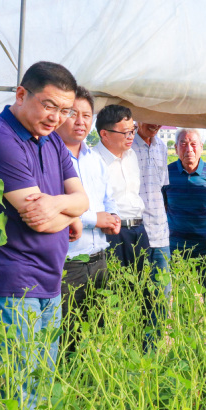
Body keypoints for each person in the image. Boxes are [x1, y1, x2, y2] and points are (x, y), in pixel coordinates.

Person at [0, 61, 89, 409]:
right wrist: (72, 214)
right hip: (9, 286)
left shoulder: (51, 141)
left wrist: (63, 205)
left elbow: (83, 199)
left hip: (48, 282)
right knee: (13, 396)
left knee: (40, 387)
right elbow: (39, 221)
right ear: (21, 94)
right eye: (49, 105)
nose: (57, 118)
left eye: (65, 110)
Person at [56, 86, 120, 355]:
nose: (80, 121)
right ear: (61, 115)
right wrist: (96, 219)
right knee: (67, 335)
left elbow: (108, 199)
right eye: (73, 114)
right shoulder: (49, 157)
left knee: (96, 333)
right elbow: (53, 207)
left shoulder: (95, 159)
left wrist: (113, 218)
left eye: (86, 115)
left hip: (99, 259)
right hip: (69, 262)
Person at [95, 105, 148, 273]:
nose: (131, 136)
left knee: (142, 285)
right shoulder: (93, 160)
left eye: (133, 130)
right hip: (112, 233)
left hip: (138, 229)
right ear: (104, 134)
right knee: (115, 283)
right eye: (125, 132)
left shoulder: (132, 155)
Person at [162, 128, 206, 258]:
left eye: (193, 144)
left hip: (205, 246)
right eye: (183, 144)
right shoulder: (166, 173)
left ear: (201, 147)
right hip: (174, 247)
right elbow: (163, 207)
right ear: (176, 148)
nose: (189, 149)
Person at [132, 123, 170, 286]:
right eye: (150, 118)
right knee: (136, 290)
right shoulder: (126, 145)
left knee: (162, 292)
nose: (155, 124)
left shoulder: (161, 146)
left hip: (161, 234)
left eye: (159, 119)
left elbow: (162, 187)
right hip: (135, 231)